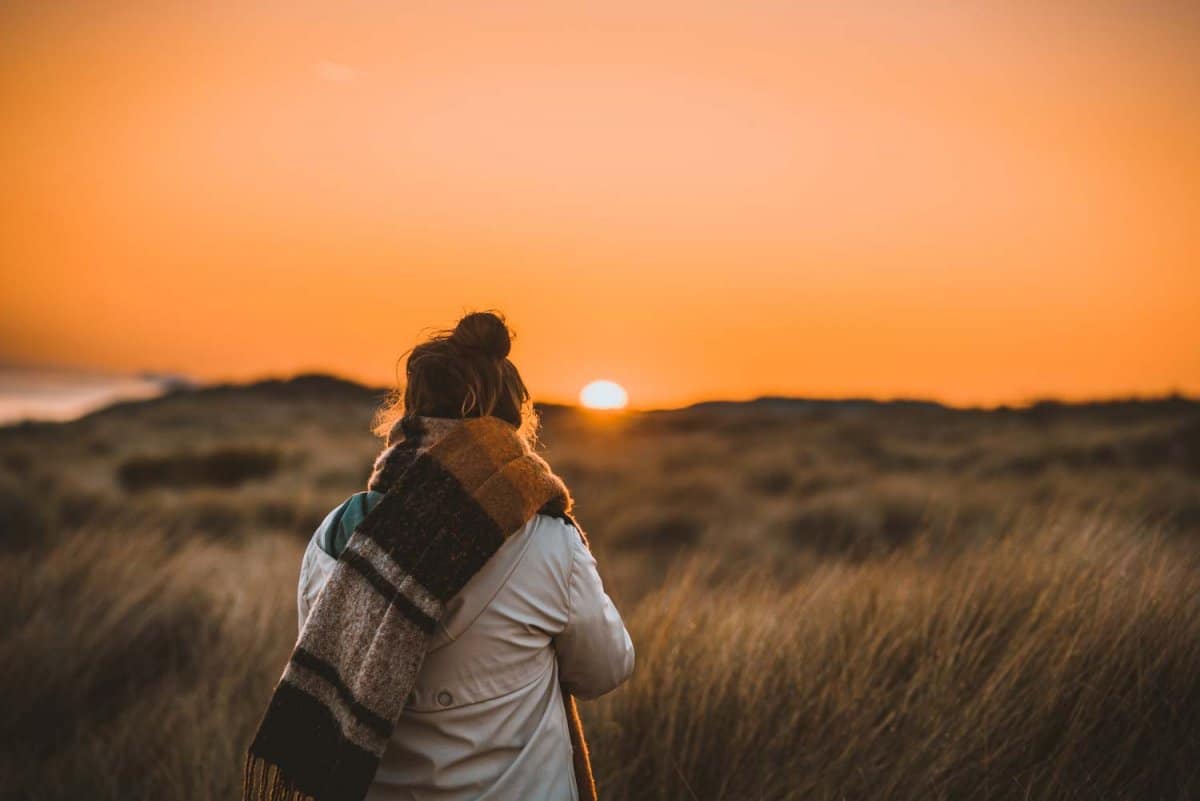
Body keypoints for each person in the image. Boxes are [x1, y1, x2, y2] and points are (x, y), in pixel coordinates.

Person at [291, 311, 634, 801]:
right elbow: (607, 669)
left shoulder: (337, 534)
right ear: (508, 424)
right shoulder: (548, 541)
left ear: (410, 415)